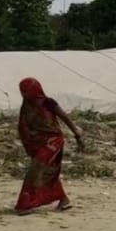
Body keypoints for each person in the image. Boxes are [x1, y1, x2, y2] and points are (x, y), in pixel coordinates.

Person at [15, 77, 84, 215]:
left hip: (53, 141)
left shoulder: (48, 103)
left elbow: (65, 118)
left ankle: (27, 203)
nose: (24, 94)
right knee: (48, 172)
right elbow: (23, 126)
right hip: (38, 144)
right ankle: (64, 200)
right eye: (22, 91)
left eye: (27, 91)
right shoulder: (27, 106)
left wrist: (76, 133)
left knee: (36, 169)